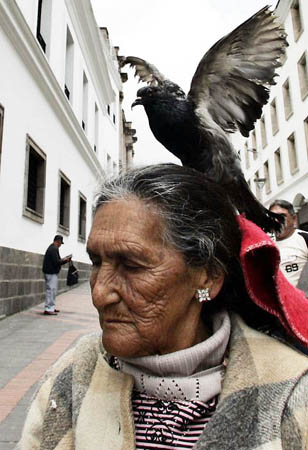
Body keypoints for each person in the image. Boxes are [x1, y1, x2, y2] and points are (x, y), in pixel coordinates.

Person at [18, 165, 308, 449]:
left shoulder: (290, 390)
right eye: (96, 262)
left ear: (208, 275)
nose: (100, 294)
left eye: (131, 265)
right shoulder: (74, 373)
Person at [269, 199, 308, 289]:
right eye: (273, 217)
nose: (277, 220)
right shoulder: (267, 246)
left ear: (294, 219)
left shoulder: (304, 239)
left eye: (282, 216)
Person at [42, 235, 71, 315]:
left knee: (52, 290)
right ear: (57, 241)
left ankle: (51, 307)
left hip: (50, 272)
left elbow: (56, 261)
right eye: (60, 243)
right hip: (51, 272)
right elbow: (56, 262)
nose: (60, 245)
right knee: (51, 291)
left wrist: (64, 259)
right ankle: (48, 309)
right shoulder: (53, 249)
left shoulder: (52, 248)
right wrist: (66, 260)